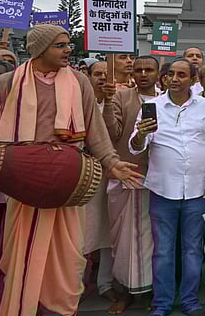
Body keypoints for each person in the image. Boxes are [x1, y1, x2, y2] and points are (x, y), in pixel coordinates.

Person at [0, 24, 142, 316]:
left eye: (68, 44)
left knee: (69, 253)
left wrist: (112, 163)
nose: (68, 50)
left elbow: (95, 129)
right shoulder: (8, 82)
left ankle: (61, 309)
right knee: (19, 252)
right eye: (60, 45)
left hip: (67, 181)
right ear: (39, 49)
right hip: (22, 182)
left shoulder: (79, 82)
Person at [130, 58, 205, 316]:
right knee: (162, 251)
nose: (174, 79)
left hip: (197, 190)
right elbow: (137, 146)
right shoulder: (152, 106)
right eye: (170, 74)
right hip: (162, 190)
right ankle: (161, 304)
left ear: (193, 79)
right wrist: (139, 134)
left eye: (181, 74)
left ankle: (190, 301)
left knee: (193, 249)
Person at [103, 55, 160, 313]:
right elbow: (111, 133)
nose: (144, 73)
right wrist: (106, 101)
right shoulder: (121, 97)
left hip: (158, 179)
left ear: (159, 74)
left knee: (151, 240)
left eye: (149, 69)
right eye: (139, 70)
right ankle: (124, 291)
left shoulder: (167, 100)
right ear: (132, 74)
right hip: (126, 175)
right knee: (123, 240)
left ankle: (148, 291)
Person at [84, 60, 119, 308]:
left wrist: (108, 101)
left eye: (105, 75)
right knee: (83, 232)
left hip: (112, 172)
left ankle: (105, 283)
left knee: (107, 231)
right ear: (87, 76)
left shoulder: (114, 101)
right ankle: (76, 284)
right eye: (97, 74)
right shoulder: (77, 102)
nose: (101, 79)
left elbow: (111, 134)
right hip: (81, 177)